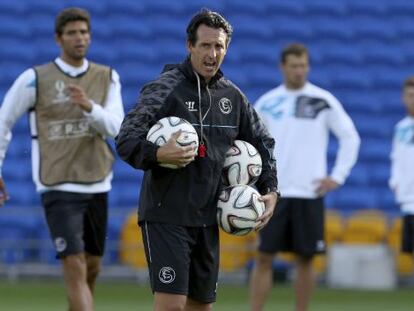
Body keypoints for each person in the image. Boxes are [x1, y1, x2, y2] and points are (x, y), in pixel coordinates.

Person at [115, 8, 279, 311]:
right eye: (205, 45)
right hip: (166, 214)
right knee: (171, 305)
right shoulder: (165, 88)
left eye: (219, 46)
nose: (212, 53)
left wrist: (270, 189)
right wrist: (157, 153)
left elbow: (263, 142)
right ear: (190, 46)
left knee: (201, 307)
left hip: (208, 217)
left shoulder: (233, 97)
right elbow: (125, 139)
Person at [0, 7, 124, 311]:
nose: (79, 38)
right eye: (72, 33)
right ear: (59, 38)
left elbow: (117, 128)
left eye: (84, 32)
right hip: (56, 185)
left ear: (90, 36)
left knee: (92, 266)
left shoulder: (107, 76)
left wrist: (89, 107)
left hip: (97, 182)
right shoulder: (35, 79)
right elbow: (4, 120)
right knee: (75, 265)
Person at [249, 43, 360, 311]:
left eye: (303, 65)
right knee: (264, 257)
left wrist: (338, 176)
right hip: (275, 193)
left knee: (306, 258)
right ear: (282, 67)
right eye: (294, 66)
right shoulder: (268, 102)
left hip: (309, 192)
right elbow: (249, 142)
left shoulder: (323, 100)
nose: (299, 71)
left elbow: (350, 136)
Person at [389, 77, 414, 261]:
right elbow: (397, 158)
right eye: (410, 95)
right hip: (408, 201)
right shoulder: (401, 127)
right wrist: (396, 181)